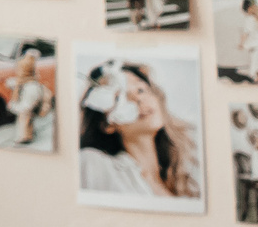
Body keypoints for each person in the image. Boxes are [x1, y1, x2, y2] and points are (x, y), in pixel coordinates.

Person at [77, 61, 200, 199]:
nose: (138, 99)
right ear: (107, 125)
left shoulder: (189, 180)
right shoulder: (93, 164)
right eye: (118, 97)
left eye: (141, 90)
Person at [8, 50, 51, 145]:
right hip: (27, 107)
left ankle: (25, 138)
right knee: (27, 119)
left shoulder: (31, 87)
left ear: (25, 70)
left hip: (26, 109)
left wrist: (13, 105)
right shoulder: (26, 81)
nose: (17, 71)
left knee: (26, 118)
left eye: (19, 69)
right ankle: (27, 135)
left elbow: (26, 108)